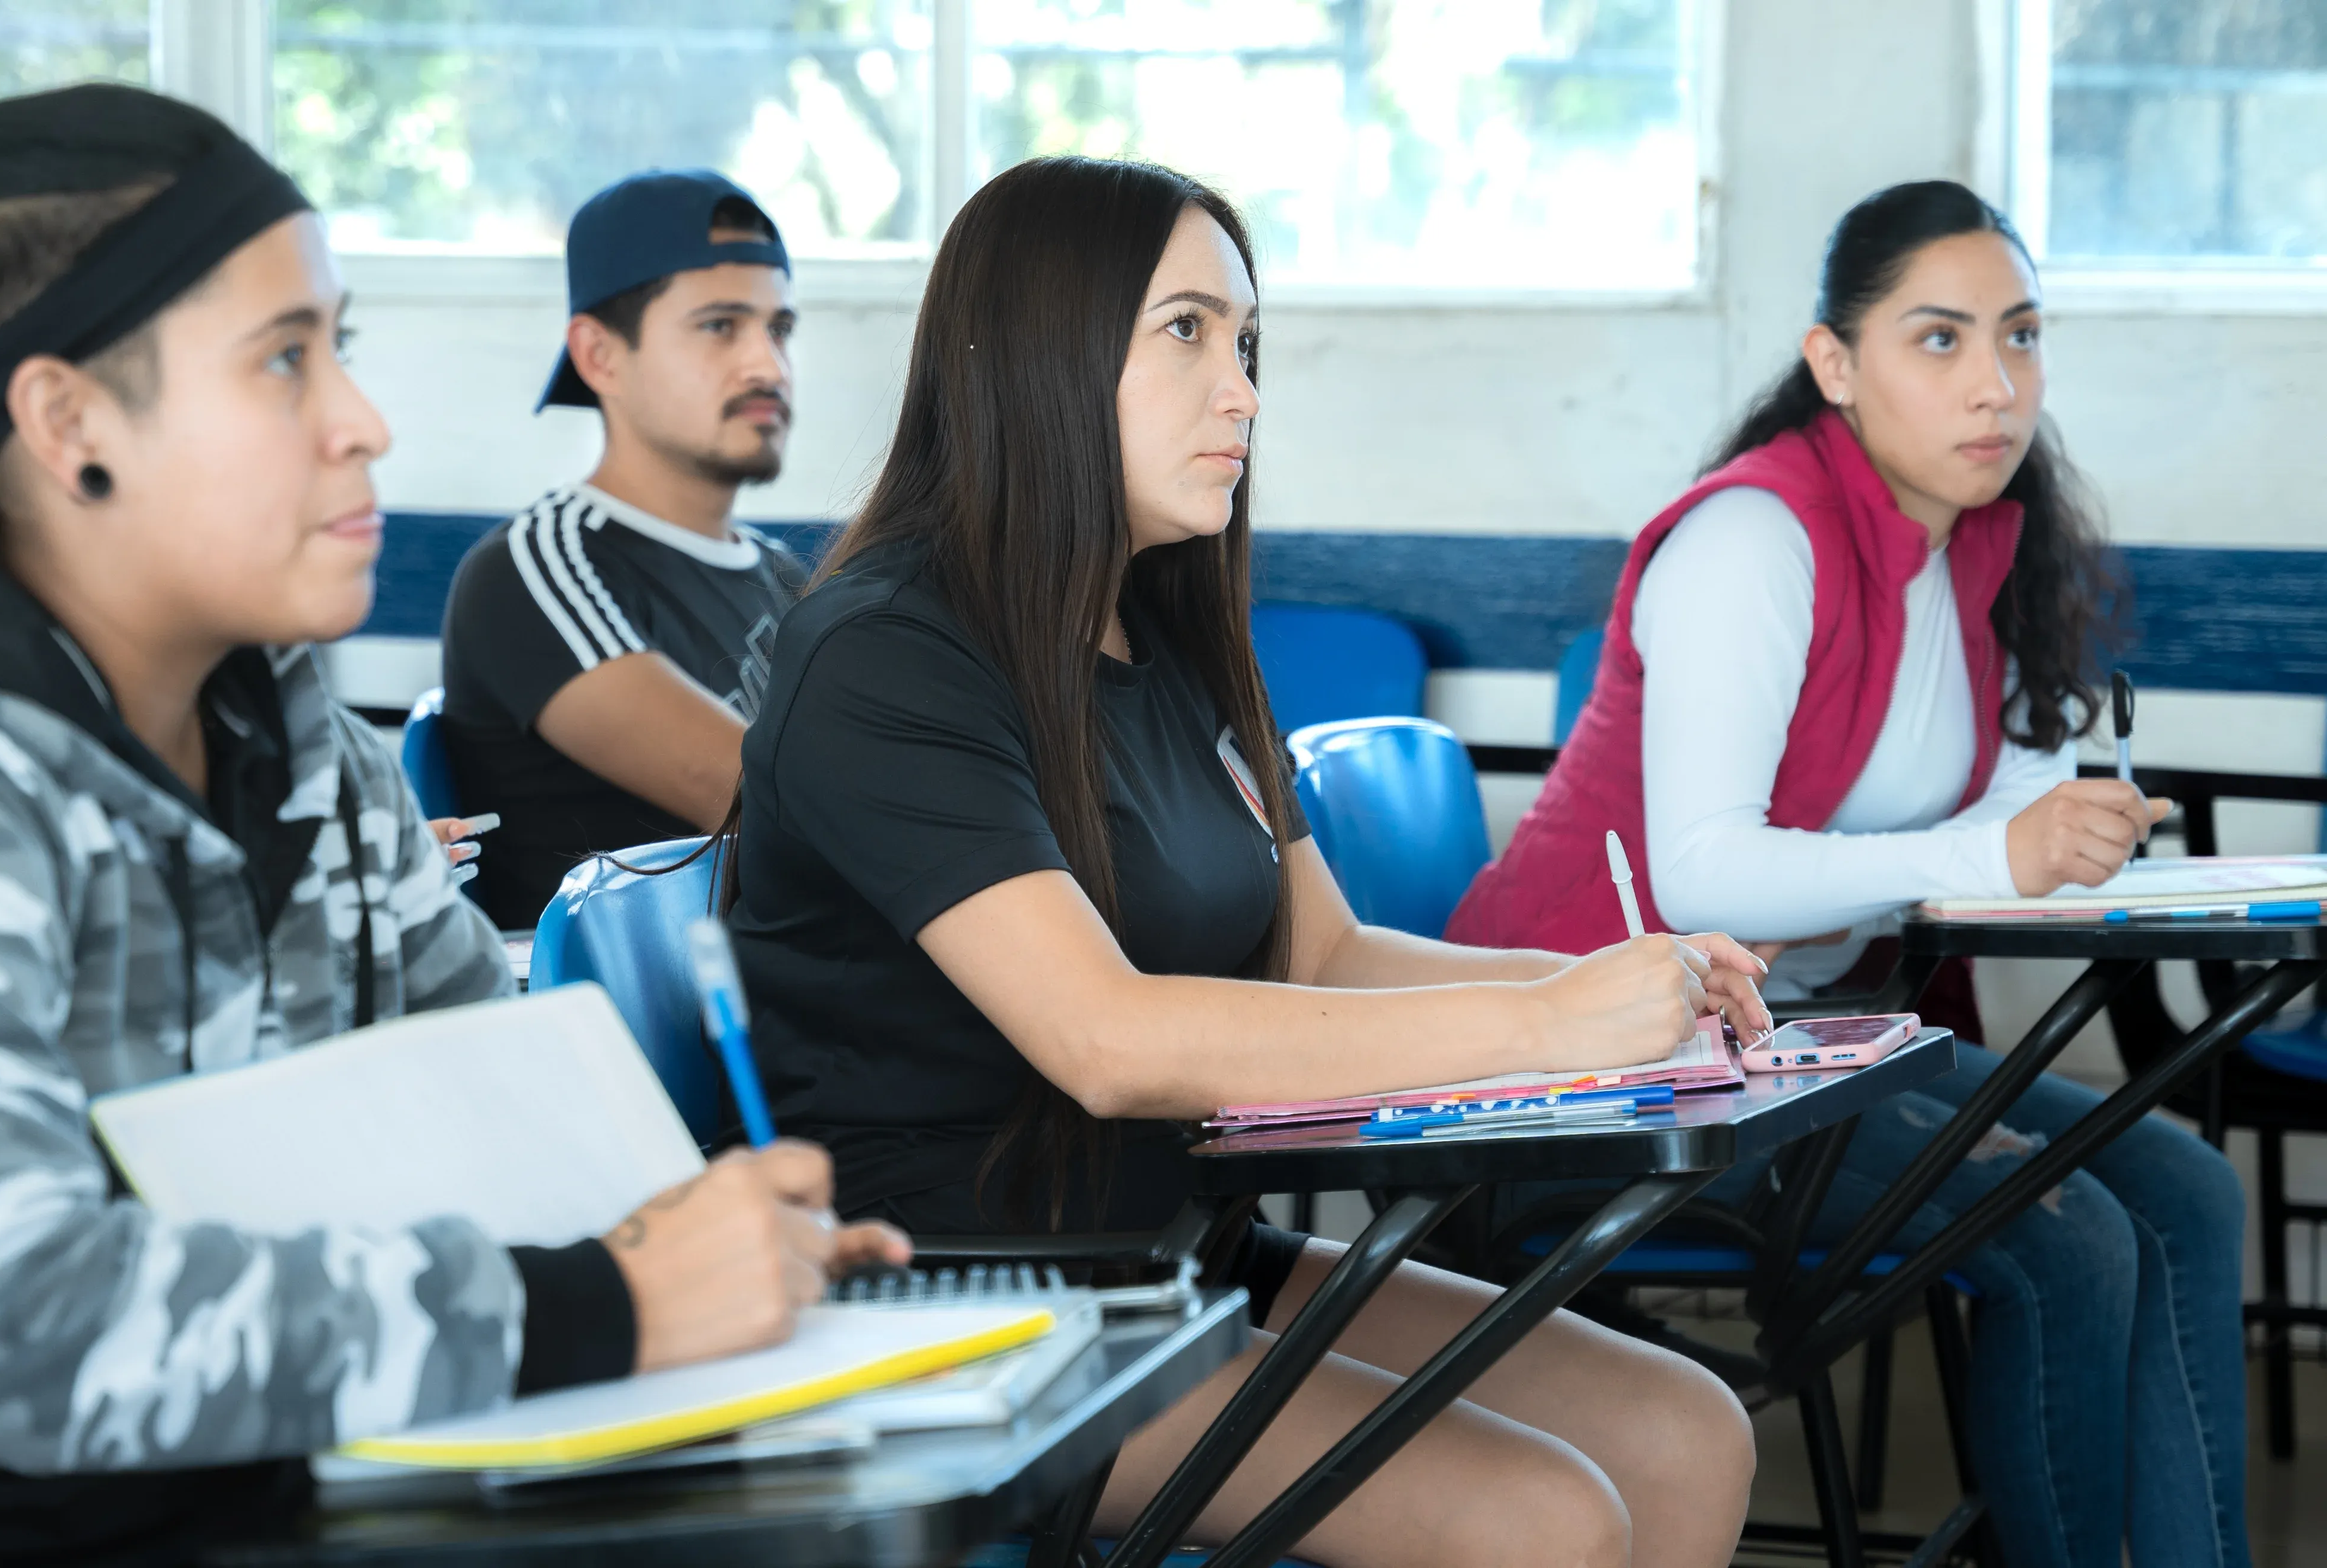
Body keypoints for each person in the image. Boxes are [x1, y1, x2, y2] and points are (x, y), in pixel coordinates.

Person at [726, 155, 1765, 1568]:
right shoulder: (879, 654)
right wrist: (1542, 1029)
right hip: (961, 1303)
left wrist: (1611, 987)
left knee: (1689, 1428)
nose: (1243, 392)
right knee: (1544, 1519)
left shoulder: (1166, 631)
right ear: (1034, 351)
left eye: (1247, 342)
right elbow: (1104, 1037)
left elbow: (1323, 949)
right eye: (1187, 332)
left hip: (1175, 1257)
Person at [0, 86, 904, 1566]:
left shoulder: (299, 745)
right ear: (68, 421)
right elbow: (8, 1329)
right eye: (286, 360)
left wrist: (715, 1237)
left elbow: (503, 1086)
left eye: (340, 348)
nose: (365, 423)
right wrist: (615, 1298)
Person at [1450, 181, 2247, 1568]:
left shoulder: (1965, 544)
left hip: (1793, 1037)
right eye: (1937, 339)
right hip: (1595, 1057)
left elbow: (1953, 794)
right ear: (1835, 365)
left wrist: (2049, 810)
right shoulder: (1751, 538)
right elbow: (1705, 867)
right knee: (2068, 1239)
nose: (1995, 382)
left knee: (2184, 1187)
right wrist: (1996, 847)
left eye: (2020, 334)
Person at [440, 169, 808, 928]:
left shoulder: (783, 575)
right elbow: (777, 802)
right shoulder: (535, 569)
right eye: (720, 326)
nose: (768, 366)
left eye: (779, 329)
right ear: (600, 355)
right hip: (640, 1031)